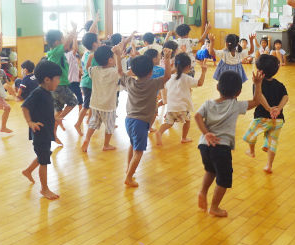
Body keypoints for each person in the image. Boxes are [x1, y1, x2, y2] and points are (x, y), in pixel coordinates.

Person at [195, 70, 264, 217]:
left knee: (210, 170)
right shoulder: (235, 106)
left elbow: (197, 116)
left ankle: (202, 191)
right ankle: (214, 207)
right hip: (221, 148)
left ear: (217, 87)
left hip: (204, 145)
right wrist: (258, 84)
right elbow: (257, 101)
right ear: (238, 92)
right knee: (224, 179)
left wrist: (206, 133)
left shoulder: (208, 103)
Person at [118, 49, 172, 188]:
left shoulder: (130, 82)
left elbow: (120, 72)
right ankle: (129, 177)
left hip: (129, 120)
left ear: (134, 72)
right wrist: (167, 58)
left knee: (132, 145)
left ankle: (128, 170)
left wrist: (118, 55)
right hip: (140, 123)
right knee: (139, 152)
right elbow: (167, 76)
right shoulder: (153, 83)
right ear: (151, 72)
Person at [21, 60, 63, 200]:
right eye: (57, 79)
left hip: (46, 132)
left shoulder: (46, 92)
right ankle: (44, 189)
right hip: (40, 133)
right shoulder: (38, 93)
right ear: (47, 79)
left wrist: (55, 119)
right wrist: (30, 122)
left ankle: (27, 171)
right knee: (44, 160)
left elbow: (44, 110)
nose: (58, 82)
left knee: (43, 155)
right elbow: (25, 106)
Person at [243, 54, 288, 174]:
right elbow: (285, 97)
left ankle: (251, 151)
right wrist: (278, 109)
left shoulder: (258, 84)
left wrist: (269, 109)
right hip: (277, 119)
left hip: (262, 118)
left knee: (250, 135)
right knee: (273, 142)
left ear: (260, 71)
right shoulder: (280, 85)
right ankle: (269, 165)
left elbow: (259, 97)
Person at [155, 53, 207, 146]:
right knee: (187, 122)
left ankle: (159, 132)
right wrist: (203, 72)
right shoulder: (187, 78)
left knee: (168, 123)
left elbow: (166, 88)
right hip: (183, 107)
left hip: (171, 107)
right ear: (188, 66)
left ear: (175, 65)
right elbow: (200, 83)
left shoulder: (170, 78)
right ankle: (184, 138)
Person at [81, 45, 120, 152]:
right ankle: (106, 145)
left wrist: (91, 56)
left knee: (93, 122)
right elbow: (121, 71)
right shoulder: (113, 72)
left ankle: (87, 139)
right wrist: (119, 55)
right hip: (108, 106)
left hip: (95, 104)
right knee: (110, 126)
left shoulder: (94, 70)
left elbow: (87, 67)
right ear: (110, 60)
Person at [45, 29, 79, 144]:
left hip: (58, 86)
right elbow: (66, 43)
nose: (64, 40)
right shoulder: (56, 52)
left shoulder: (56, 52)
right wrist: (72, 30)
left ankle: (53, 134)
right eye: (62, 38)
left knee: (58, 110)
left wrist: (73, 33)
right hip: (59, 86)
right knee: (73, 102)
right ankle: (58, 120)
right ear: (56, 42)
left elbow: (68, 43)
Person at [75, 32, 99, 136]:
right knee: (86, 106)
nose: (99, 43)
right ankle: (78, 123)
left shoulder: (86, 53)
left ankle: (89, 120)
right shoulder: (92, 56)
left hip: (88, 83)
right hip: (88, 83)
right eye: (98, 41)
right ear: (94, 44)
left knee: (91, 105)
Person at [65, 25, 83, 111]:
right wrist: (75, 37)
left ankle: (81, 112)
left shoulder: (71, 55)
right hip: (71, 81)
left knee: (79, 97)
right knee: (78, 98)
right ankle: (81, 112)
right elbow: (75, 48)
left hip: (72, 81)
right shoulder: (69, 55)